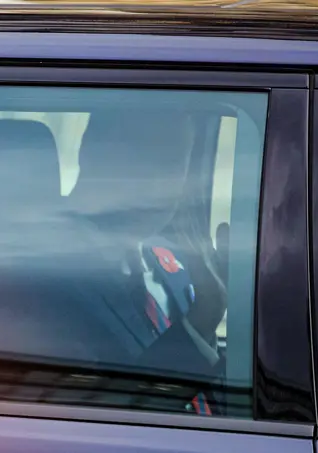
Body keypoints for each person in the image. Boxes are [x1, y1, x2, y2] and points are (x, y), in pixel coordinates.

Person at [66, 108, 225, 415]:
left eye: (176, 163)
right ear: (91, 153)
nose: (159, 183)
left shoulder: (175, 266)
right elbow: (96, 420)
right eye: (144, 159)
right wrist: (202, 318)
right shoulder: (35, 277)